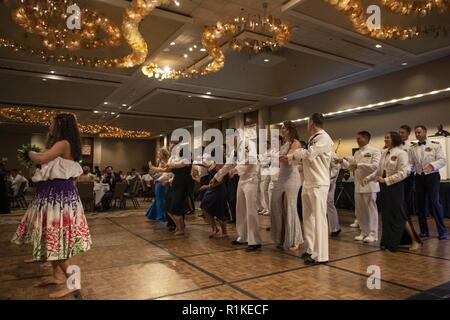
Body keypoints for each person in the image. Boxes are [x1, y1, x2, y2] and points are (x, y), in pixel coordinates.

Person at [11, 113, 91, 298]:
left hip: (58, 199)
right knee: (53, 239)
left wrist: (28, 152)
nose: (50, 127)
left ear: (61, 125)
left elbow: (40, 159)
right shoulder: (61, 143)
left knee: (58, 241)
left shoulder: (63, 143)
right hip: (53, 196)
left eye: (52, 123)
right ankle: (57, 276)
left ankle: (74, 283)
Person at [284, 113, 333, 265]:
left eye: (307, 122)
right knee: (308, 219)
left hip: (318, 183)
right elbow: (305, 159)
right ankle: (311, 249)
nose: (306, 125)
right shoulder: (314, 138)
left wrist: (295, 154)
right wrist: (293, 157)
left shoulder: (324, 137)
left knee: (319, 219)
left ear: (311, 123)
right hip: (308, 182)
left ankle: (321, 255)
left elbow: (310, 154)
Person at [363, 131, 422, 251]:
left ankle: (415, 240)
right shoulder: (384, 152)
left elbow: (403, 173)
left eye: (387, 137)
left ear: (394, 139)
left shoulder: (401, 153)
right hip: (384, 188)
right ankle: (389, 242)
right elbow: (379, 170)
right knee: (387, 215)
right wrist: (368, 178)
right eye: (385, 137)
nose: (385, 139)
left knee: (399, 215)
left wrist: (386, 180)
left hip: (396, 187)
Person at [210, 131, 261, 252]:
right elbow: (228, 165)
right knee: (240, 209)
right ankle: (242, 237)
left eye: (229, 137)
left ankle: (254, 241)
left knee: (251, 211)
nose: (228, 140)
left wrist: (236, 169)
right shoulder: (234, 150)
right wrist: (217, 176)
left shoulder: (248, 143)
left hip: (251, 179)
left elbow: (251, 160)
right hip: (242, 179)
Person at [338, 131, 381, 243]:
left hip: (370, 184)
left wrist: (359, 165)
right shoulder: (357, 153)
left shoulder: (374, 151)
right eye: (357, 138)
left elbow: (376, 167)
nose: (357, 140)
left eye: (359, 138)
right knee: (360, 211)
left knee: (371, 210)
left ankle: (373, 234)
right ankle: (364, 232)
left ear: (366, 138)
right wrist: (343, 161)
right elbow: (352, 168)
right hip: (358, 185)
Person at [409, 125, 448, 240]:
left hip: (432, 177)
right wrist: (408, 170)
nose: (417, 134)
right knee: (420, 205)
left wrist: (432, 165)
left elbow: (442, 160)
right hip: (419, 178)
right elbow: (411, 164)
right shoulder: (413, 148)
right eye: (416, 133)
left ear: (425, 132)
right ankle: (424, 231)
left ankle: (442, 232)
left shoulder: (435, 145)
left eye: (419, 132)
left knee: (435, 203)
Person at [270, 121, 303, 251]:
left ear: (289, 130)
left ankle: (295, 239)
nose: (281, 129)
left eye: (283, 127)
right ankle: (281, 237)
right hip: (281, 177)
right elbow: (280, 158)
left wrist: (276, 156)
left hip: (292, 178)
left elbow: (289, 160)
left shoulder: (296, 143)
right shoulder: (284, 144)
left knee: (289, 207)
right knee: (276, 206)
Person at [200, 147, 228, 238]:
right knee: (204, 207)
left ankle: (224, 232)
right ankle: (214, 228)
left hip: (218, 189)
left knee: (219, 210)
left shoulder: (220, 164)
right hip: (211, 190)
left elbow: (220, 181)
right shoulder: (214, 163)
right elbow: (209, 168)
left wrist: (207, 186)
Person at [146, 148, 170, 222]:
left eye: (159, 153)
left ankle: (161, 216)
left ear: (163, 154)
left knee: (160, 198)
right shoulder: (161, 161)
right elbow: (158, 171)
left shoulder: (164, 161)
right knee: (159, 198)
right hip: (158, 179)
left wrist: (152, 168)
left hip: (161, 180)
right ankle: (154, 214)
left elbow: (165, 171)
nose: (158, 154)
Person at [328, 151, 341, 237]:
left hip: (329, 183)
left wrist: (329, 181)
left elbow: (336, 168)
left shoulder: (332, 154)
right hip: (318, 183)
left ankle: (335, 228)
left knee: (329, 203)